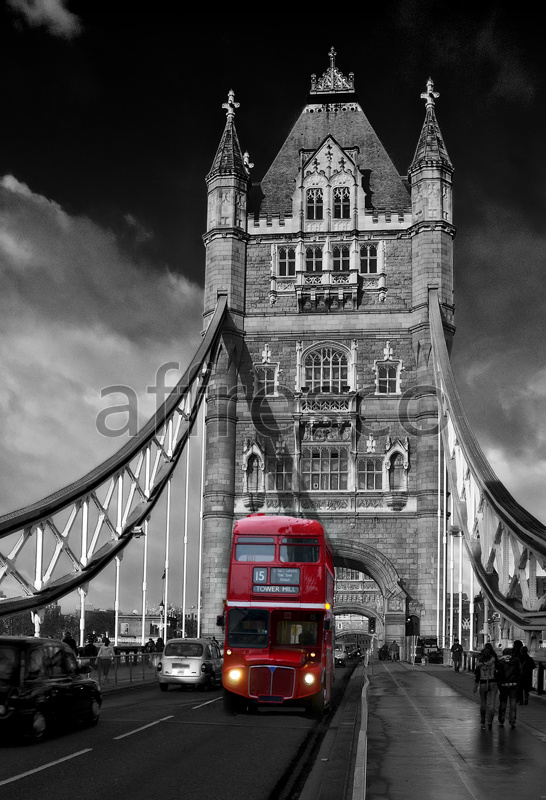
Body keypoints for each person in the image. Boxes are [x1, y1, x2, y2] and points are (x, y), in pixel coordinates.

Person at [473, 643, 499, 730]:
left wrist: (476, 685)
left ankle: (483, 721)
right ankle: (490, 721)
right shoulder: (494, 661)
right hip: (493, 682)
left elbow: (477, 674)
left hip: (483, 682)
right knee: (491, 704)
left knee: (483, 703)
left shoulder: (479, 662)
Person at [497, 640, 523, 728]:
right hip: (514, 685)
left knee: (503, 702)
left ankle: (501, 719)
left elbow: (497, 674)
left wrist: (499, 684)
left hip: (503, 685)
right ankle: (512, 721)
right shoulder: (516, 661)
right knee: (513, 703)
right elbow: (520, 672)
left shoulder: (500, 662)